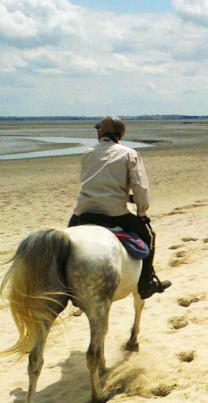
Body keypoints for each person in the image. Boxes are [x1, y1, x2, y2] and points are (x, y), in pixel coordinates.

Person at [68, 115, 170, 299]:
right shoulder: (129, 154)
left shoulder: (87, 153)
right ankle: (145, 283)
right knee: (148, 236)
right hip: (115, 213)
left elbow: (90, 181)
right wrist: (141, 212)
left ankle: (67, 289)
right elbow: (141, 187)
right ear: (120, 135)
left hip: (83, 211)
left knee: (66, 244)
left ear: (101, 133)